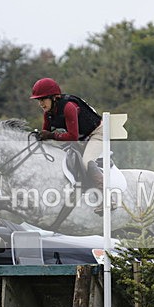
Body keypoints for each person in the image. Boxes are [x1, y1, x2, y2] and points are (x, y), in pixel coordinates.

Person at [31, 78, 112, 210]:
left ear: (54, 98)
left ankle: (107, 199)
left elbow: (72, 136)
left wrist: (51, 135)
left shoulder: (69, 107)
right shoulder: (48, 113)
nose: (41, 103)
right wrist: (39, 136)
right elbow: (46, 132)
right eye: (38, 100)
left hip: (97, 133)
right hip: (82, 137)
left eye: (43, 99)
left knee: (87, 162)